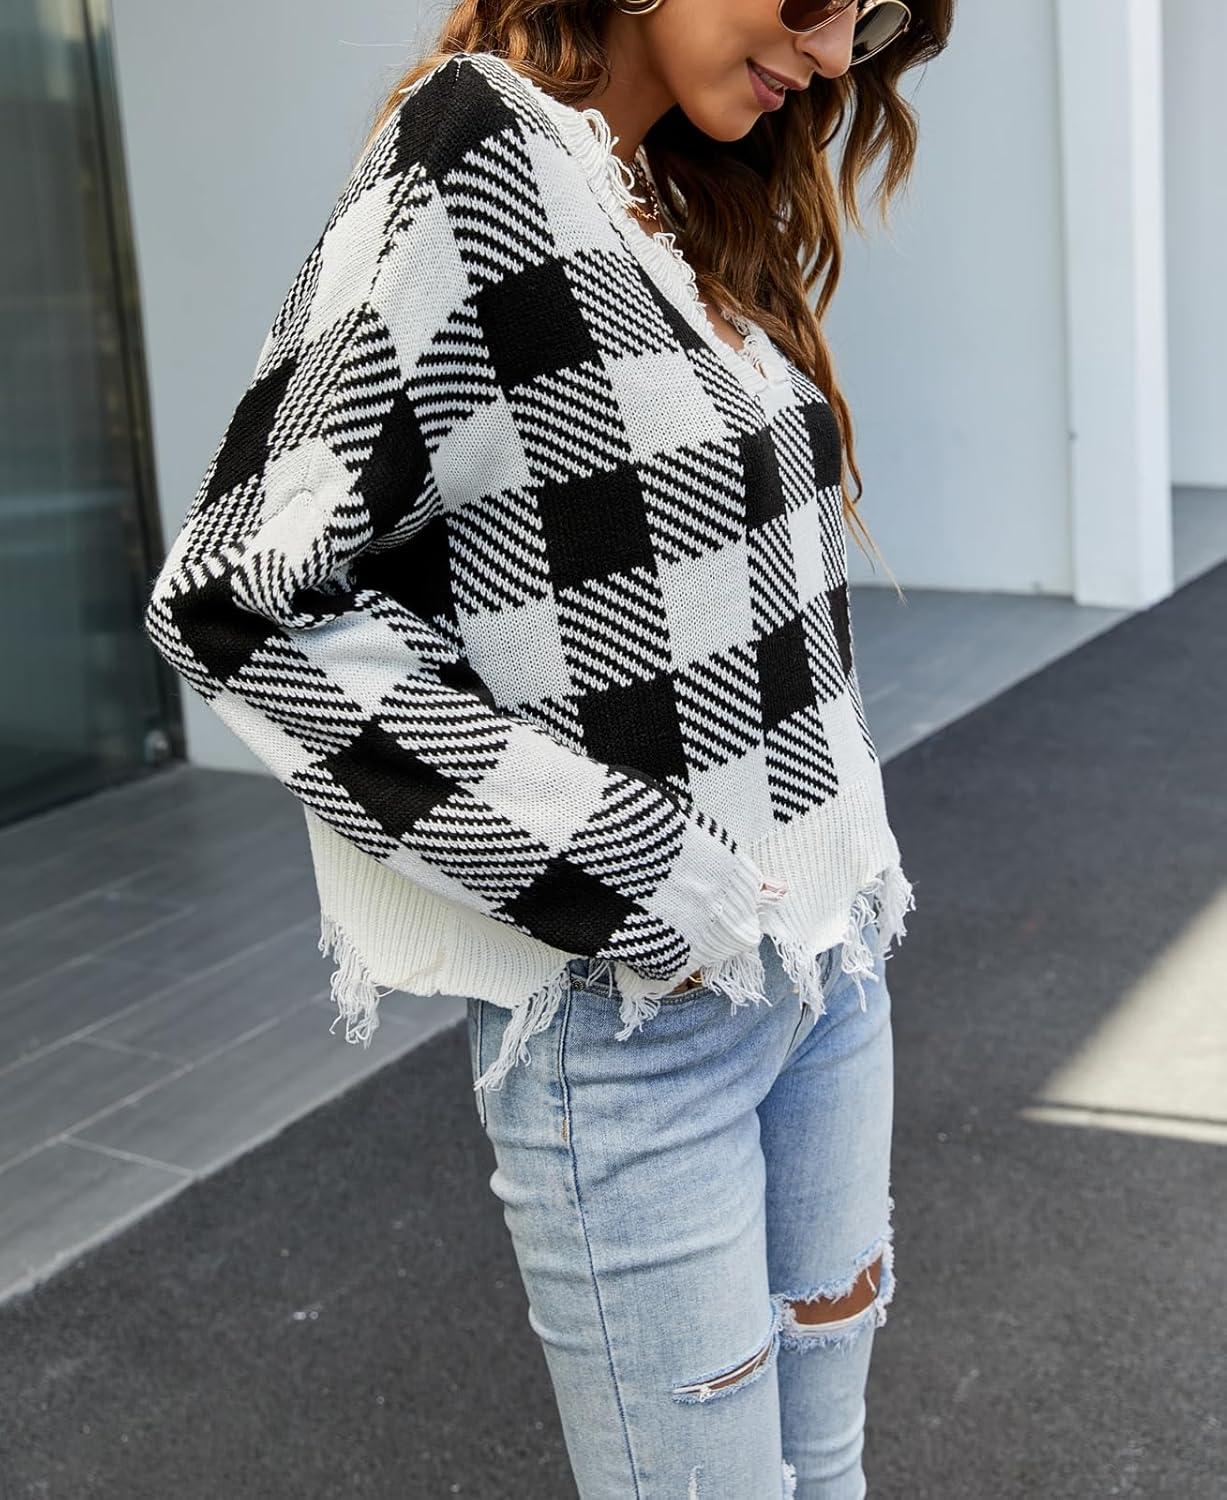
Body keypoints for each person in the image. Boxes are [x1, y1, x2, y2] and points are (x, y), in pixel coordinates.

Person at [144, 1, 953, 1493]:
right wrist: (633, 870)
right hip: (640, 1021)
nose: (840, 54)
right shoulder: (477, 161)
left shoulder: (666, 186)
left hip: (827, 974)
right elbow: (234, 599)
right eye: (819, 0)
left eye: (873, 16)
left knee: (828, 1472)